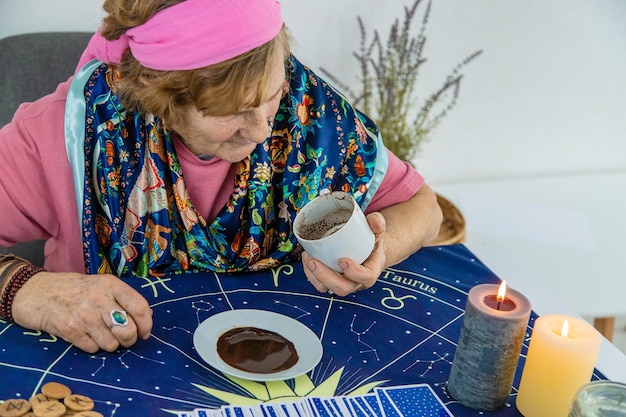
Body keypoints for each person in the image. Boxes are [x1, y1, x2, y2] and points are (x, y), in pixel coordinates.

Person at [0, 0, 443, 353]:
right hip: (117, 367)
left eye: (270, 97)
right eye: (231, 113)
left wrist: (378, 253)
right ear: (162, 99)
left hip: (288, 364)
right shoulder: (66, 132)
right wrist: (30, 290)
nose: (263, 130)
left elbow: (424, 208)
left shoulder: (311, 110)